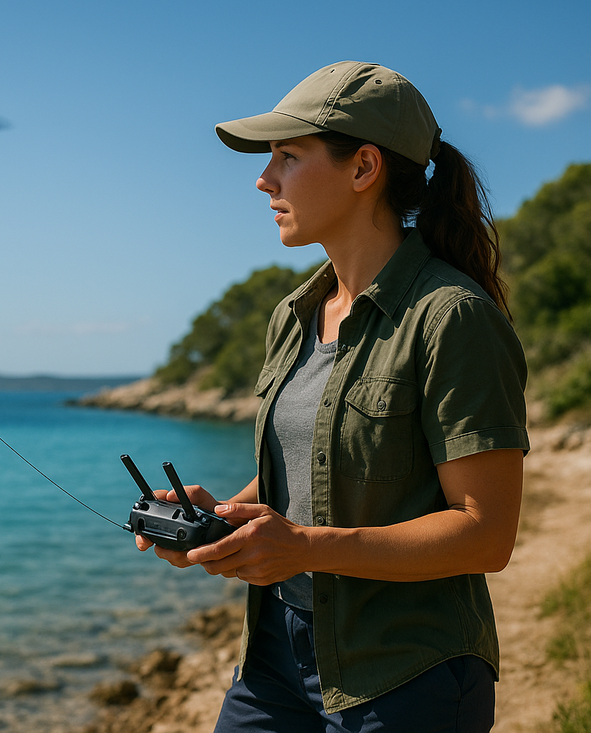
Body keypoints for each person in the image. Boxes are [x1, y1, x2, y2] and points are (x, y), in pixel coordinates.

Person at [135, 61, 529, 731]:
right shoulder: (293, 313)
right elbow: (312, 469)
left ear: (363, 168)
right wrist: (227, 514)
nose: (264, 178)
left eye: (288, 156)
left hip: (404, 670)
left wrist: (308, 548)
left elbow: (485, 533)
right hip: (272, 661)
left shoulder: (451, 315)